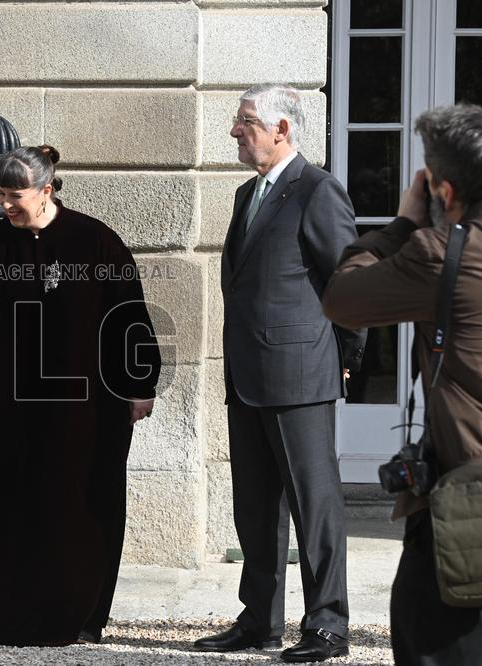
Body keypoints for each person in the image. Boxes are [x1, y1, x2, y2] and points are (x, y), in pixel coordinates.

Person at [0, 145, 162, 648]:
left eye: (14, 195)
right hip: (14, 402)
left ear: (47, 190)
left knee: (79, 504)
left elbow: (129, 314)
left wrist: (139, 384)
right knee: (5, 500)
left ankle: (76, 616)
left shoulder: (96, 241)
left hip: (87, 404)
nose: (5, 204)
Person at [323, 104, 482, 665]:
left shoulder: (446, 253)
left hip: (474, 511)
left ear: (444, 191)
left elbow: (343, 299)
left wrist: (403, 223)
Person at [194, 84, 366, 663]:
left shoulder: (317, 190)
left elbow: (351, 284)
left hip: (301, 375)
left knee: (314, 506)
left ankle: (327, 624)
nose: (235, 130)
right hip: (247, 376)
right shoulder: (249, 194)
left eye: (245, 121)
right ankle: (259, 620)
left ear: (281, 129)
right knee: (255, 506)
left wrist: (343, 362)